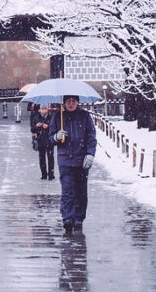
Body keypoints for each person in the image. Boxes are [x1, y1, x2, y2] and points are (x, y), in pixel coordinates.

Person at [49, 95, 97, 234]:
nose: (71, 104)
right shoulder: (58, 117)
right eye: (68, 101)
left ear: (77, 102)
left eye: (73, 101)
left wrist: (90, 154)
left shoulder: (85, 116)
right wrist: (56, 137)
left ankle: (79, 217)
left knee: (81, 191)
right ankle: (67, 218)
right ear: (64, 103)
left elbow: (91, 137)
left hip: (82, 160)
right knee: (67, 190)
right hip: (65, 160)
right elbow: (50, 138)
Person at [31, 105, 55, 180]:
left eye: (45, 109)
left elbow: (54, 128)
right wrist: (36, 126)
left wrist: (48, 127)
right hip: (40, 140)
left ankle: (51, 174)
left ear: (47, 110)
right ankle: (43, 174)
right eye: (42, 109)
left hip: (49, 140)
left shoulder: (51, 118)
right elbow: (32, 130)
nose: (43, 111)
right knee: (42, 158)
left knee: (50, 158)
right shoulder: (36, 118)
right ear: (39, 110)